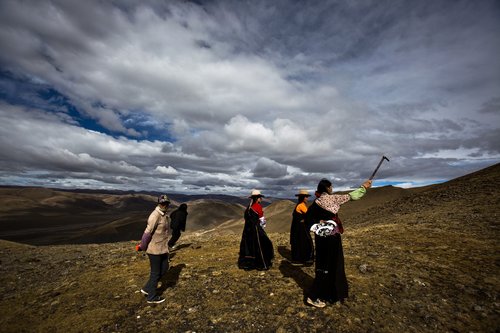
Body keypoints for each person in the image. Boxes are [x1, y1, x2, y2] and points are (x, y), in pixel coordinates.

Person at [305, 178, 372, 308]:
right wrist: (364, 187)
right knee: (333, 264)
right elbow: (353, 196)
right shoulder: (333, 199)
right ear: (327, 188)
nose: (332, 188)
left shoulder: (316, 202)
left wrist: (319, 226)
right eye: (331, 187)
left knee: (323, 264)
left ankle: (327, 293)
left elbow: (308, 219)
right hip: (332, 238)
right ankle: (316, 295)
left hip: (321, 238)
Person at [138, 194, 171, 304]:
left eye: (166, 203)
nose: (164, 205)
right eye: (162, 203)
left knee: (165, 268)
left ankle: (147, 288)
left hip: (162, 248)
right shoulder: (155, 216)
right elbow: (147, 233)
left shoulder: (164, 215)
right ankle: (151, 297)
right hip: (154, 250)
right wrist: (143, 246)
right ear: (159, 203)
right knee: (155, 273)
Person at [238, 189, 274, 270]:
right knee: (263, 244)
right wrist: (263, 226)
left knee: (249, 246)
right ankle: (261, 264)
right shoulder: (257, 206)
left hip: (247, 230)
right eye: (260, 197)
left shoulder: (248, 208)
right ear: (257, 198)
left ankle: (249, 263)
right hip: (256, 230)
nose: (261, 199)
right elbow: (262, 220)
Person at [289, 189, 314, 265]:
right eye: (306, 197)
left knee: (299, 242)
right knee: (305, 242)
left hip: (297, 228)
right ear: (302, 198)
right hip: (301, 228)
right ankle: (305, 258)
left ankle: (299, 258)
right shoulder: (301, 205)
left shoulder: (299, 205)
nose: (307, 198)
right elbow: (309, 215)